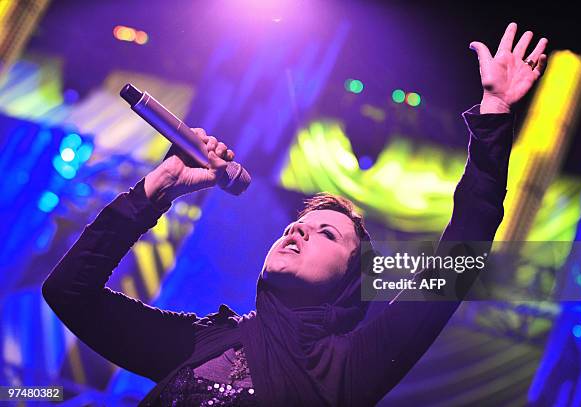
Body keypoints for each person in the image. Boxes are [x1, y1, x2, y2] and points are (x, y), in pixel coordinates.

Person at [42, 22, 548, 406]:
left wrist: (494, 112)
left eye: (326, 233)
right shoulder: (201, 339)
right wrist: (158, 188)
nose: (300, 232)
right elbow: (69, 293)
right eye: (296, 226)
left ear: (351, 280)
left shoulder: (348, 369)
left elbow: (461, 257)